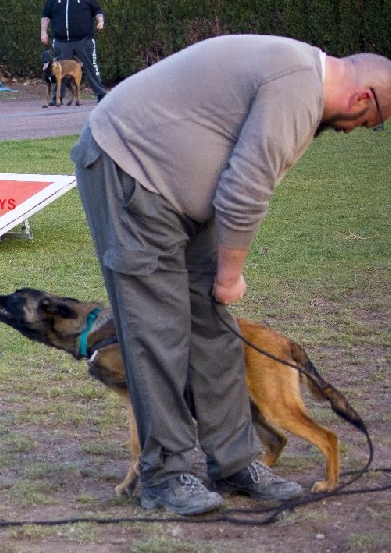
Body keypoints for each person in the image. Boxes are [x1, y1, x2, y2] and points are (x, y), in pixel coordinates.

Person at [71, 34, 390, 515]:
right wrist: (228, 275)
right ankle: (166, 474)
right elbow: (245, 188)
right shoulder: (299, 89)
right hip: (128, 165)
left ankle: (236, 459)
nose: (357, 130)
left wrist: (217, 277)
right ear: (363, 98)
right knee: (158, 328)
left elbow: (230, 172)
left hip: (178, 194)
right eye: (372, 121)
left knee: (215, 329)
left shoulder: (300, 78)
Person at [41, 0, 107, 103]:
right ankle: (57, 97)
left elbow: (97, 10)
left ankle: (101, 93)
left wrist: (101, 21)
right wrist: (43, 32)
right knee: (58, 70)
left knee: (91, 67)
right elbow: (46, 15)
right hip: (61, 41)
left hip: (84, 40)